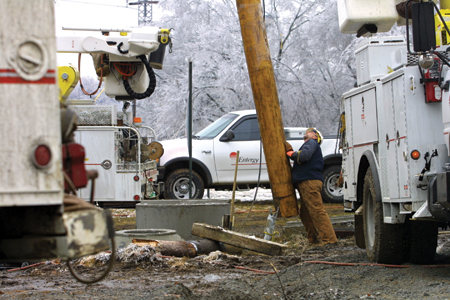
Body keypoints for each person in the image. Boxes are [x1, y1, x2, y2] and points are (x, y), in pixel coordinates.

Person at [286, 127, 338, 246]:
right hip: (307, 182)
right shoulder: (310, 144)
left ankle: (330, 240)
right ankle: (314, 240)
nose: (306, 133)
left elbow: (303, 156)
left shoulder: (312, 143)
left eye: (310, 132)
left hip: (309, 182)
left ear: (315, 137)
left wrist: (291, 153)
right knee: (306, 213)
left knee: (317, 210)